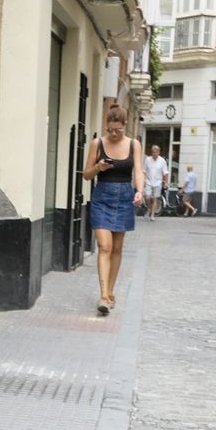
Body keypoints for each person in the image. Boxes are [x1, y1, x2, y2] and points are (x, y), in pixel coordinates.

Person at [82, 106, 143, 316]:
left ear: (124, 126)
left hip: (125, 197)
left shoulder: (134, 145)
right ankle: (103, 295)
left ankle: (110, 292)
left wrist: (140, 191)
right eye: (110, 130)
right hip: (102, 197)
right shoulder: (97, 144)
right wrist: (98, 167)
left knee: (117, 248)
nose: (114, 134)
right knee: (104, 246)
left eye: (117, 130)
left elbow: (138, 170)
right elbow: (86, 175)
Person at [142, 145, 169, 220]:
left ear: (159, 152)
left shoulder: (162, 161)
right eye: (153, 152)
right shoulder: (147, 159)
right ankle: (149, 208)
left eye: (156, 152)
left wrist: (166, 182)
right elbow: (144, 171)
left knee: (155, 199)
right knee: (147, 197)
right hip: (148, 181)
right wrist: (143, 180)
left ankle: (152, 215)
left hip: (157, 182)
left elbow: (165, 173)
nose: (154, 154)